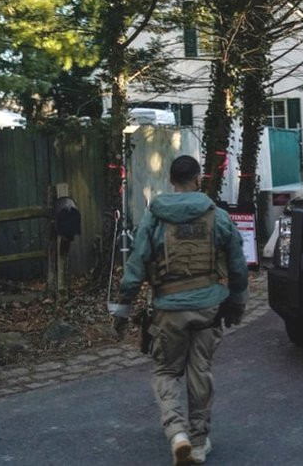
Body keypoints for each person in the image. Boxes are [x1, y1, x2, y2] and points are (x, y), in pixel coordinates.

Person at [109, 155, 248, 465]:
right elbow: (238, 264)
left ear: (171, 181)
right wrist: (237, 303)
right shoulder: (217, 216)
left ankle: (178, 434)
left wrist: (122, 308)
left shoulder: (155, 217)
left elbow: (136, 264)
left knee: (167, 371)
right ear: (198, 179)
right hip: (208, 308)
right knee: (200, 372)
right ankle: (198, 443)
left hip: (168, 310)